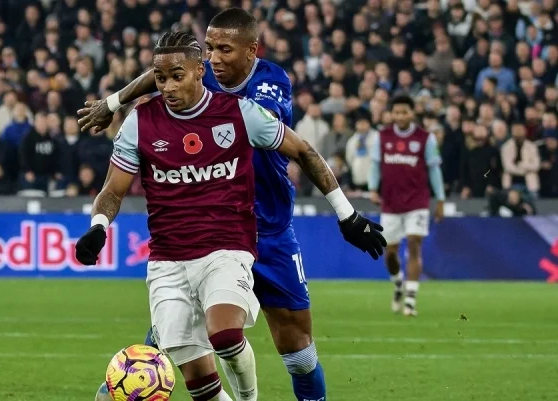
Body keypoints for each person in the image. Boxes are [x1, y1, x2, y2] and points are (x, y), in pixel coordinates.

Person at [78, 9, 386, 401]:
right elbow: (168, 73)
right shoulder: (194, 77)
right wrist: (114, 101)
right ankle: (133, 379)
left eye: (224, 50)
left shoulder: (267, 84)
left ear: (251, 51)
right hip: (207, 231)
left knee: (298, 351)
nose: (214, 59)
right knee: (176, 337)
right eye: (209, 49)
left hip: (268, 230)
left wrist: (347, 213)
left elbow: (291, 144)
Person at [368, 95, 446, 317]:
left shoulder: (425, 138)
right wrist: (372, 188)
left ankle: (411, 299)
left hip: (417, 201)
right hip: (391, 202)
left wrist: (440, 199)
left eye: (405, 112)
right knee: (390, 253)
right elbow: (375, 165)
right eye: (397, 112)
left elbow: (434, 169)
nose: (400, 116)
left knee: (414, 243)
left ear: (412, 113)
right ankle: (398, 284)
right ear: (391, 114)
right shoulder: (382, 137)